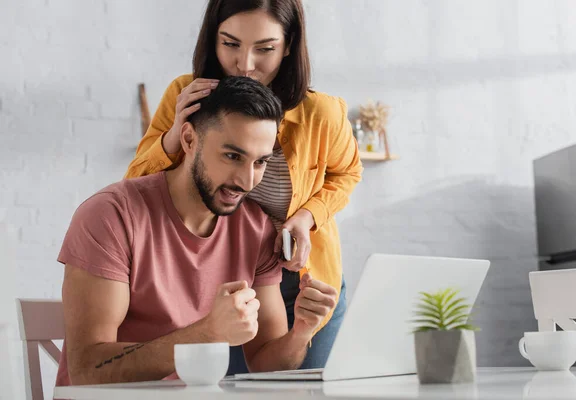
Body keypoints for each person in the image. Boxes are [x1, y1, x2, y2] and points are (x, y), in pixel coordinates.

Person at [124, 0, 363, 372]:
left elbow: (346, 174)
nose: (245, 63)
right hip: (219, 286)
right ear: (212, 39)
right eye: (230, 44)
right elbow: (135, 188)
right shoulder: (185, 95)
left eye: (265, 48)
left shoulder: (324, 113)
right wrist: (175, 135)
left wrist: (308, 216)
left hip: (303, 286)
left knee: (303, 392)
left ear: (288, 45)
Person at [56, 76, 337, 386]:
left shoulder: (256, 228)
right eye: (232, 156)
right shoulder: (111, 216)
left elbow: (266, 365)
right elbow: (87, 370)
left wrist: (302, 331)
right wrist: (208, 332)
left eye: (260, 162)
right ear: (189, 140)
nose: (247, 181)